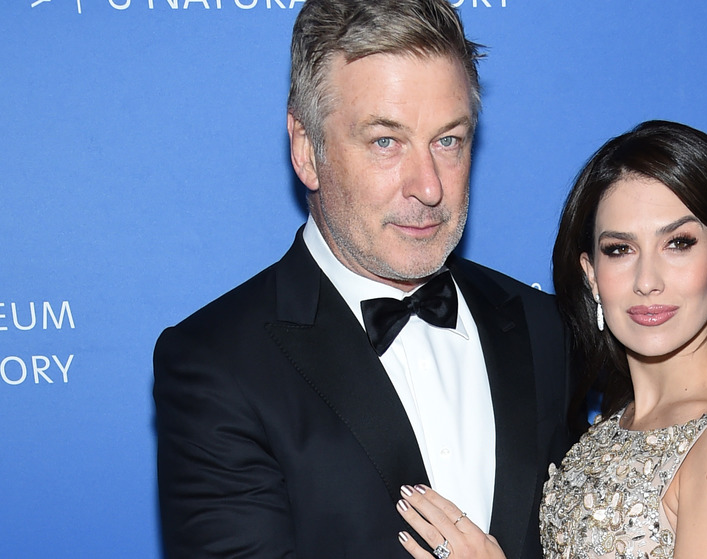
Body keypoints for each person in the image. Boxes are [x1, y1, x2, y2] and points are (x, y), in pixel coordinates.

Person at [152, 1, 570, 557]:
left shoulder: (542, 325)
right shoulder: (216, 362)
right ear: (307, 149)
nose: (428, 187)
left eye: (448, 140)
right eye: (385, 142)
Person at [396, 120, 707, 559]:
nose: (647, 281)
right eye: (620, 250)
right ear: (591, 276)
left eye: (678, 243)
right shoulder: (614, 422)